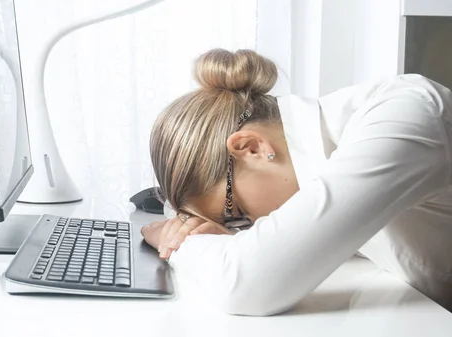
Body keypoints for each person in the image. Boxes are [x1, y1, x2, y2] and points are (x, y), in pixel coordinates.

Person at [140, 48, 452, 315]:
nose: (248, 227)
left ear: (252, 148)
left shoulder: (404, 118)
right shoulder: (321, 147)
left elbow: (250, 282)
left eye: (236, 215)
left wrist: (176, 243)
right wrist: (185, 224)